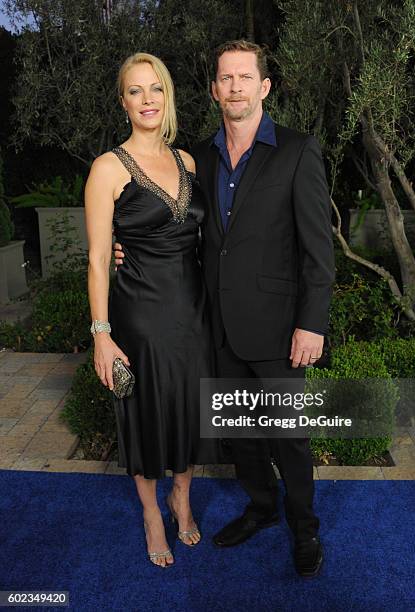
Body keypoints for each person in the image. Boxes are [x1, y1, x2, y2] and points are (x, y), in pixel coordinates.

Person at [115, 40, 335, 577]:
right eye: (224, 78)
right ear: (214, 89)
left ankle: (304, 528)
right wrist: (129, 247)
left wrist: (312, 323)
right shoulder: (198, 157)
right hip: (215, 327)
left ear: (263, 87)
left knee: (289, 435)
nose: (234, 86)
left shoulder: (297, 150)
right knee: (241, 432)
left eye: (245, 78)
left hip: (281, 329)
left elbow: (318, 250)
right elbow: (178, 226)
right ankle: (260, 508)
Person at [85, 52, 215, 568]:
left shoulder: (188, 161)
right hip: (138, 314)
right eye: (135, 91)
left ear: (168, 96)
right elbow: (97, 258)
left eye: (155, 89)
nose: (147, 100)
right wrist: (101, 334)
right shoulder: (108, 168)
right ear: (123, 102)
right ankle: (151, 514)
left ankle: (181, 497)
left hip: (194, 309)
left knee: (188, 408)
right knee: (144, 413)